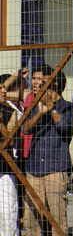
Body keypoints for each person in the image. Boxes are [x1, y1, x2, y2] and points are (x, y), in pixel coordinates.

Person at [23, 65, 73, 236]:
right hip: (34, 168)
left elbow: (65, 129)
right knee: (31, 220)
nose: (38, 85)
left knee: (57, 221)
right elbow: (26, 129)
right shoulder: (35, 104)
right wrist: (39, 113)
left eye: (43, 83)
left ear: (55, 84)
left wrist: (52, 108)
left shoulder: (67, 107)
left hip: (55, 169)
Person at [0, 74, 20, 236]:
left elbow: (11, 141)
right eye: (0, 88)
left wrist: (0, 124)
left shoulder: (10, 111)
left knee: (7, 213)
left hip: (4, 168)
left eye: (4, 87)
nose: (3, 91)